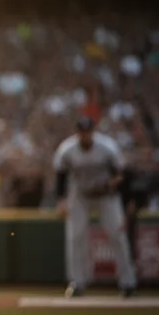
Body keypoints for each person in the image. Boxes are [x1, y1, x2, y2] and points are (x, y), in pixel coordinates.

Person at [53, 117, 137, 298]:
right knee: (75, 237)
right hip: (80, 195)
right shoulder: (67, 150)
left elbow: (122, 174)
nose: (85, 135)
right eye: (82, 132)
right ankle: (77, 282)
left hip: (106, 196)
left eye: (88, 131)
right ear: (77, 133)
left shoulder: (107, 147)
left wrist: (118, 190)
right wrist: (60, 199)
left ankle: (128, 282)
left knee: (117, 235)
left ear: (93, 131)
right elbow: (60, 175)